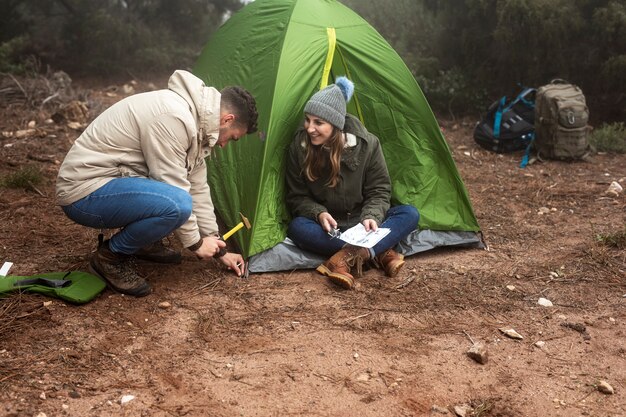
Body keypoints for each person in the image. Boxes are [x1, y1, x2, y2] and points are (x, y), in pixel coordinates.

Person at [56, 70, 258, 297]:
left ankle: (142, 242)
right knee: (177, 204)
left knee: (177, 201)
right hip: (84, 192)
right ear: (227, 119)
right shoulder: (174, 117)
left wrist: (218, 246)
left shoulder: (197, 125)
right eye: (232, 137)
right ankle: (109, 258)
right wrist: (196, 244)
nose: (224, 145)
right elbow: (174, 189)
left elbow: (199, 187)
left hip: (111, 184)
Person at [286, 77, 419, 290]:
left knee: (409, 214)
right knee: (297, 228)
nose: (310, 128)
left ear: (336, 125)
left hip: (363, 222)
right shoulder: (299, 147)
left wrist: (371, 216)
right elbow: (296, 196)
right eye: (308, 120)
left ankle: (345, 258)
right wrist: (318, 213)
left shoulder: (368, 144)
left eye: (318, 123)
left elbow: (379, 190)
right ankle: (380, 252)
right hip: (329, 228)